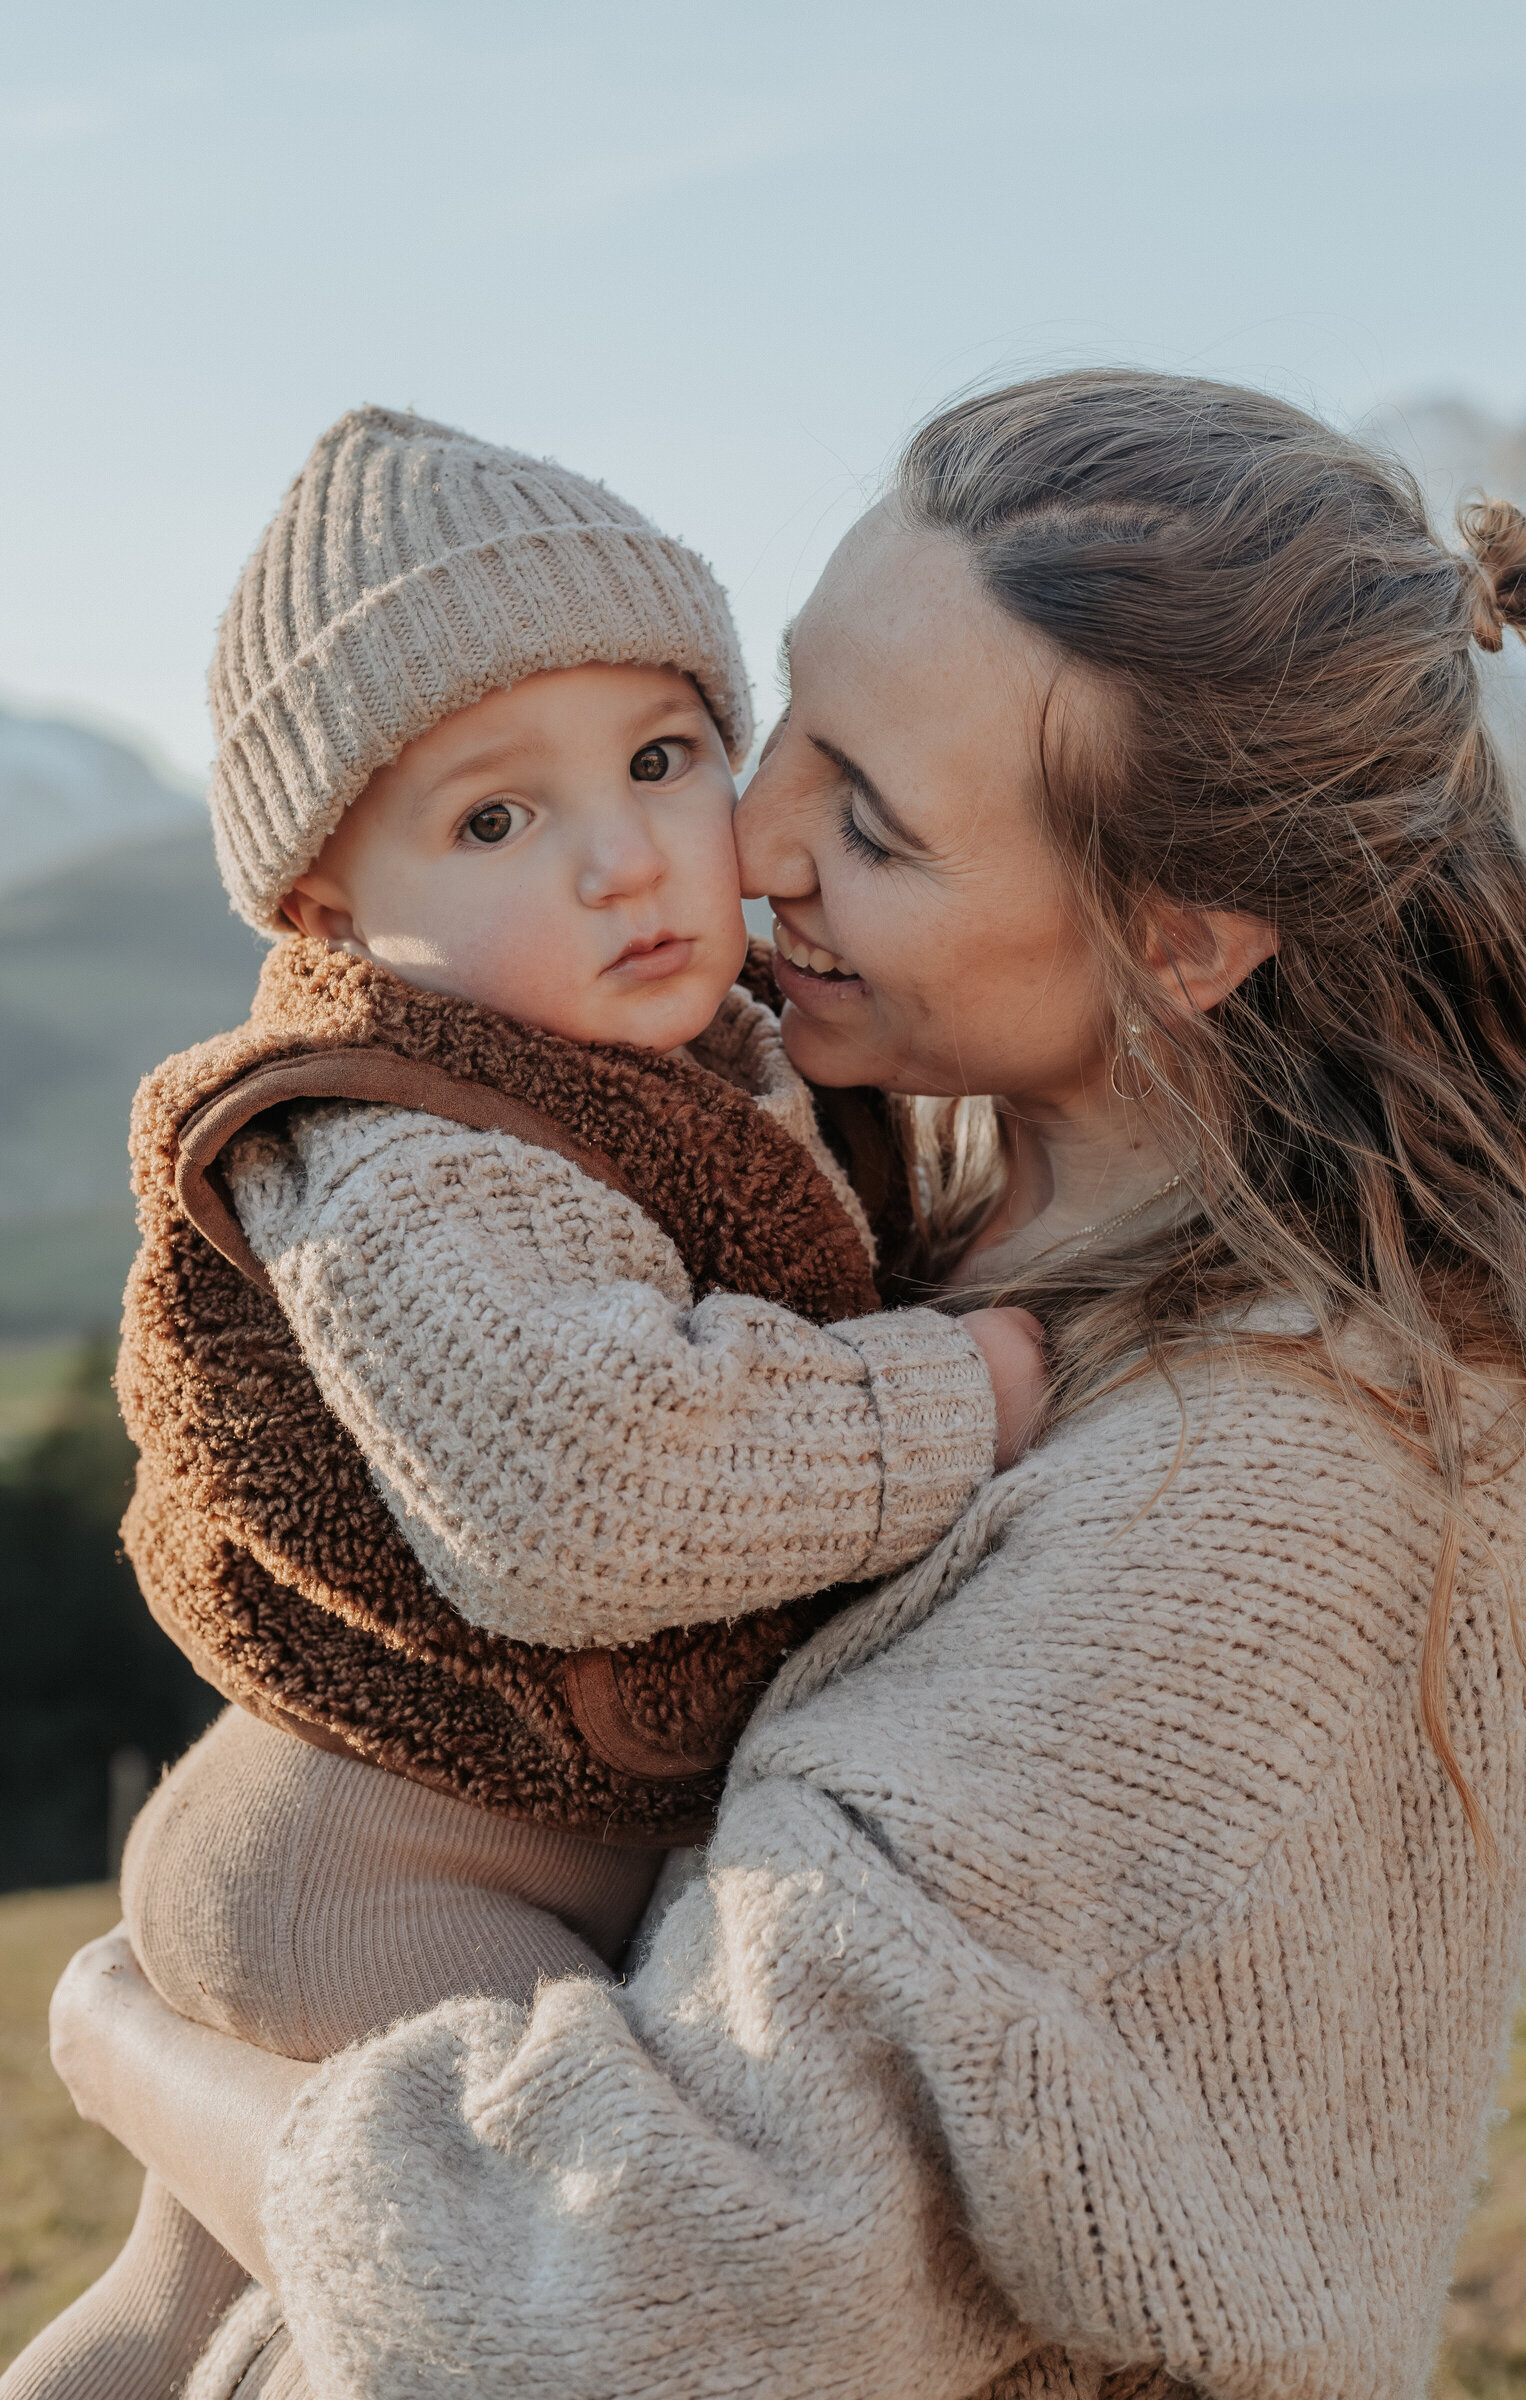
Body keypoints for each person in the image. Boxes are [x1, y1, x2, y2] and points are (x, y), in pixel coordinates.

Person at [45, 369, 1526, 2400]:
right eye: (774, 723)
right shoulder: (929, 1207)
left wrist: (134, 2059)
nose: (744, 840)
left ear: (1177, 939)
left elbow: (624, 2302)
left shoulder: (1245, 1492)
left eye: (863, 814)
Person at [2, 408, 1042, 2400]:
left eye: (660, 761)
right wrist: (951, 1397)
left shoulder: (694, 1062)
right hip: (379, 1870)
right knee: (523, 2282)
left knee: (172, 2317)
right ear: (320, 909)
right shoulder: (408, 1154)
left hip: (407, 1833)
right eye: (492, 822)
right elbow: (585, 1497)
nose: (618, 855)